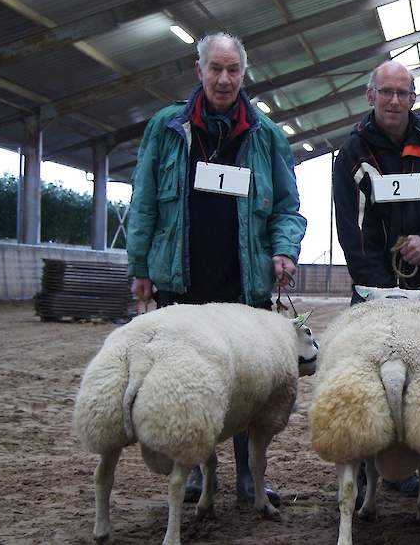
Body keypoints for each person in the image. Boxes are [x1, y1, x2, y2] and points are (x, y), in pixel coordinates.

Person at [126, 32, 307, 507]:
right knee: (185, 379)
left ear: (244, 74)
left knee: (249, 385)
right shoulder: (167, 128)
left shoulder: (265, 134)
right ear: (199, 70)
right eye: (216, 69)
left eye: (233, 71)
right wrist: (140, 265)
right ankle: (191, 471)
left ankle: (249, 476)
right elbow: (143, 201)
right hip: (181, 280)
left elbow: (288, 206)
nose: (224, 79)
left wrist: (284, 250)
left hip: (242, 281)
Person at [332, 60, 420, 496]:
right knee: (369, 381)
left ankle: (413, 467)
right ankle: (364, 469)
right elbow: (352, 231)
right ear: (370, 96)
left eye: (403, 93)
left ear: (414, 98)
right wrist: (382, 292)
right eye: (387, 92)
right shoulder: (353, 154)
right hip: (375, 291)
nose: (395, 101)